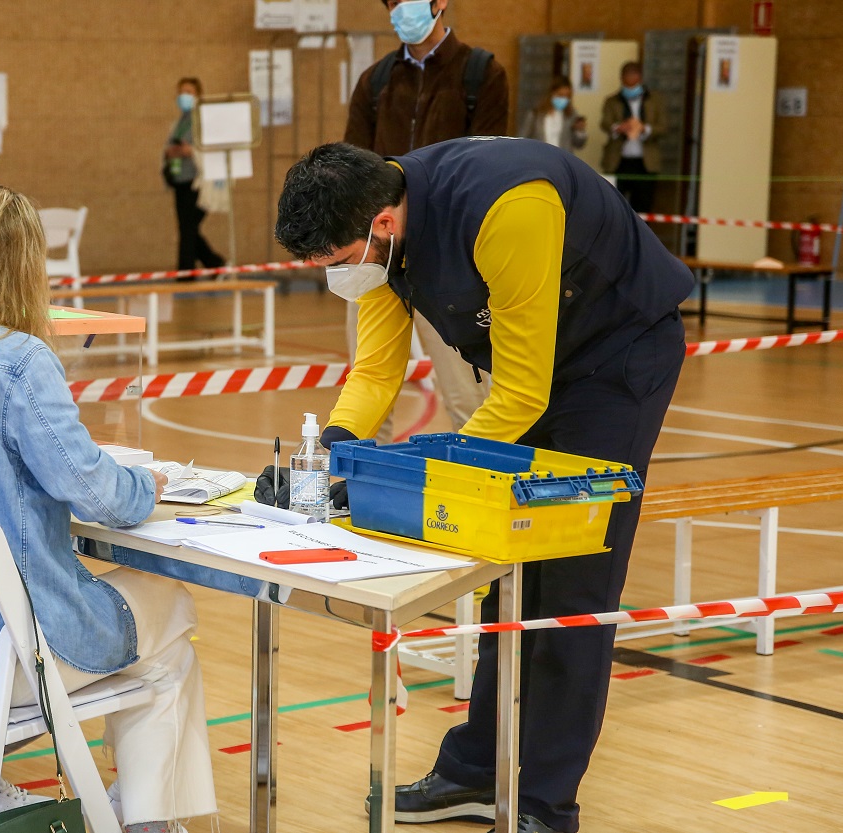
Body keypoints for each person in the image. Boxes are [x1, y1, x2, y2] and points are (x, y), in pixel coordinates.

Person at [274, 138, 693, 833]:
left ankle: (544, 799)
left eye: (339, 263)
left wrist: (427, 468)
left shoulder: (506, 206)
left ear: (381, 223)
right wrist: (334, 449)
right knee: (507, 567)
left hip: (616, 360)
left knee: (574, 583)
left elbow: (523, 391)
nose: (338, 278)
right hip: (537, 366)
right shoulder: (384, 233)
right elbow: (376, 372)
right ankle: (475, 770)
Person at [0, 184, 218, 833]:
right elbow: (100, 497)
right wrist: (153, 482)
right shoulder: (19, 361)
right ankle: (145, 817)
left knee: (151, 624)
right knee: (171, 616)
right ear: (25, 265)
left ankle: (129, 811)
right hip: (8, 648)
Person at [343, 0, 509, 442]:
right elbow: (352, 170)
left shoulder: (481, 73)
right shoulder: (375, 81)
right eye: (391, 2)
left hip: (451, 260)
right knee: (369, 388)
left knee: (467, 395)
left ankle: (476, 484)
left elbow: (489, 168)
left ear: (439, 3)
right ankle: (360, 490)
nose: (399, 9)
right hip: (380, 253)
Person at [163, 76, 225, 275]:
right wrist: (171, 151)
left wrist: (191, 151)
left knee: (189, 228)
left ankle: (186, 272)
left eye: (189, 92)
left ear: (198, 95)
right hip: (180, 179)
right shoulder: (180, 121)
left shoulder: (203, 120)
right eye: (181, 92)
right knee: (187, 228)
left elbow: (210, 149)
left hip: (196, 182)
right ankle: (214, 264)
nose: (184, 96)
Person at [601, 61, 666, 214]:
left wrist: (644, 128)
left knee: (643, 207)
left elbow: (663, 126)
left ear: (640, 79)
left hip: (646, 163)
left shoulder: (654, 100)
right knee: (615, 208)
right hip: (619, 162)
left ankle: (640, 238)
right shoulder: (612, 101)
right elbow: (605, 124)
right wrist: (619, 127)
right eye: (626, 84)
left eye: (633, 84)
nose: (630, 88)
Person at [518, 76, 587, 152]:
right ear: (552, 93)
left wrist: (580, 130)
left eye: (567, 96)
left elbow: (579, 144)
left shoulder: (571, 114)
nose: (564, 99)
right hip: (539, 158)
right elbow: (522, 139)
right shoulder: (535, 114)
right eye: (560, 95)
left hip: (561, 160)